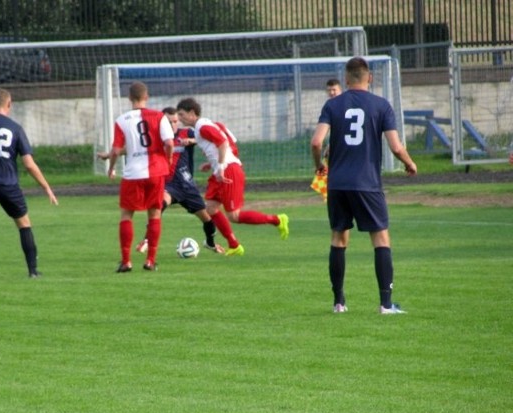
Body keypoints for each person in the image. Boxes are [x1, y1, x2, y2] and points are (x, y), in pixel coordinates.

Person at [310, 57, 417, 314]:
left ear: (346, 79)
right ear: (369, 78)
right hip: (366, 183)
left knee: (338, 239)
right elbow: (395, 146)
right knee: (380, 238)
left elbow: (316, 142)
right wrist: (409, 163)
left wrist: (319, 166)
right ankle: (386, 304)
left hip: (337, 184)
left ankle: (339, 302)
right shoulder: (381, 105)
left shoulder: (332, 105)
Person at [0, 88, 58, 279]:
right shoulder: (15, 128)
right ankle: (32, 271)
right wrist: (46, 187)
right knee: (24, 224)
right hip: (8, 184)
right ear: (9, 104)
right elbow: (29, 165)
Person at [176, 97, 289, 256]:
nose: (179, 118)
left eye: (181, 115)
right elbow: (222, 144)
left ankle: (277, 220)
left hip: (228, 171)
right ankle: (234, 245)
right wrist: (213, 164)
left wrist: (221, 165)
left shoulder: (202, 126)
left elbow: (222, 142)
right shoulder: (203, 125)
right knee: (211, 208)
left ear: (192, 113)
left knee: (234, 215)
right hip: (221, 170)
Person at [100, 81, 174, 272]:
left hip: (133, 173)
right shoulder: (159, 116)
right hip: (156, 172)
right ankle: (150, 261)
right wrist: (169, 158)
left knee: (126, 214)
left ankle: (126, 261)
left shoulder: (122, 120)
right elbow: (169, 143)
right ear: (146, 97)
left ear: (129, 98)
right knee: (155, 214)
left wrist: (111, 167)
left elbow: (116, 149)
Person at [129, 107, 225, 255]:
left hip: (188, 187)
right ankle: (147, 241)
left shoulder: (187, 132)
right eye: (169, 122)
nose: (173, 125)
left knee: (208, 221)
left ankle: (210, 244)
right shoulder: (157, 138)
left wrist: (192, 141)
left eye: (175, 121)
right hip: (169, 185)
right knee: (159, 205)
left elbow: (207, 138)